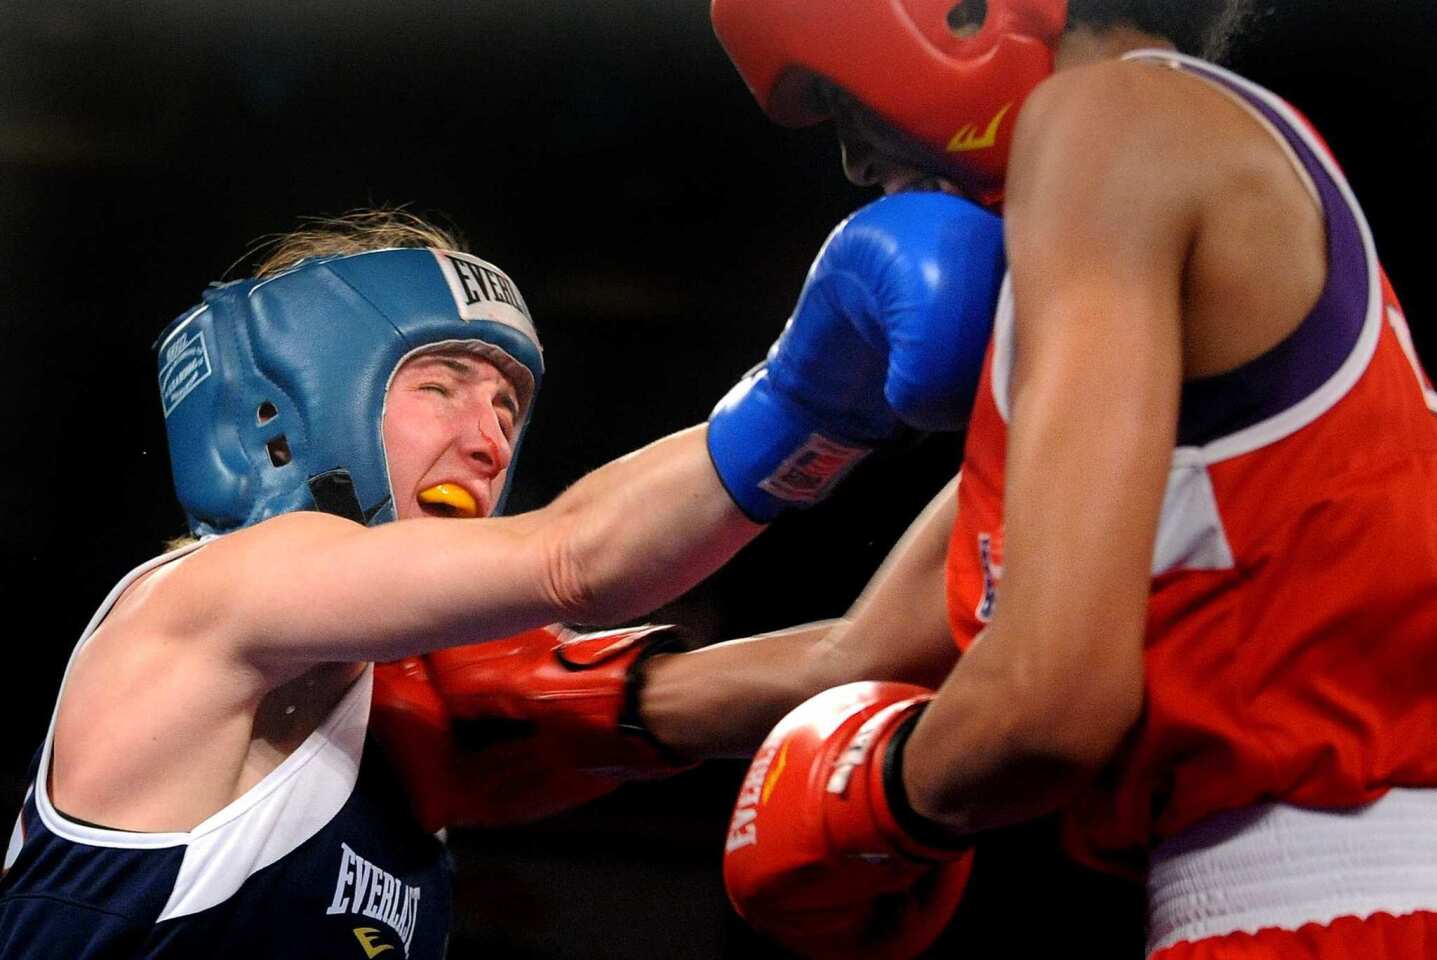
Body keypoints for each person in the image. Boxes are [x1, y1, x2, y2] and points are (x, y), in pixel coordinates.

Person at [404, 2, 1437, 958]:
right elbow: (877, 651)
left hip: (1324, 900)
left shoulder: (1109, 118)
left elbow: (1045, 702)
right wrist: (583, 701)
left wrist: (881, 791)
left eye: (837, 98)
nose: (854, 160)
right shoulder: (1188, 169)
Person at [0, 192, 1005, 958]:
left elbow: (851, 661)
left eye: (507, 407)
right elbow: (578, 559)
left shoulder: (412, 721)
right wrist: (814, 401)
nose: (485, 440)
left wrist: (1040, 400)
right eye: (439, 387)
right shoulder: (214, 598)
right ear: (288, 408)